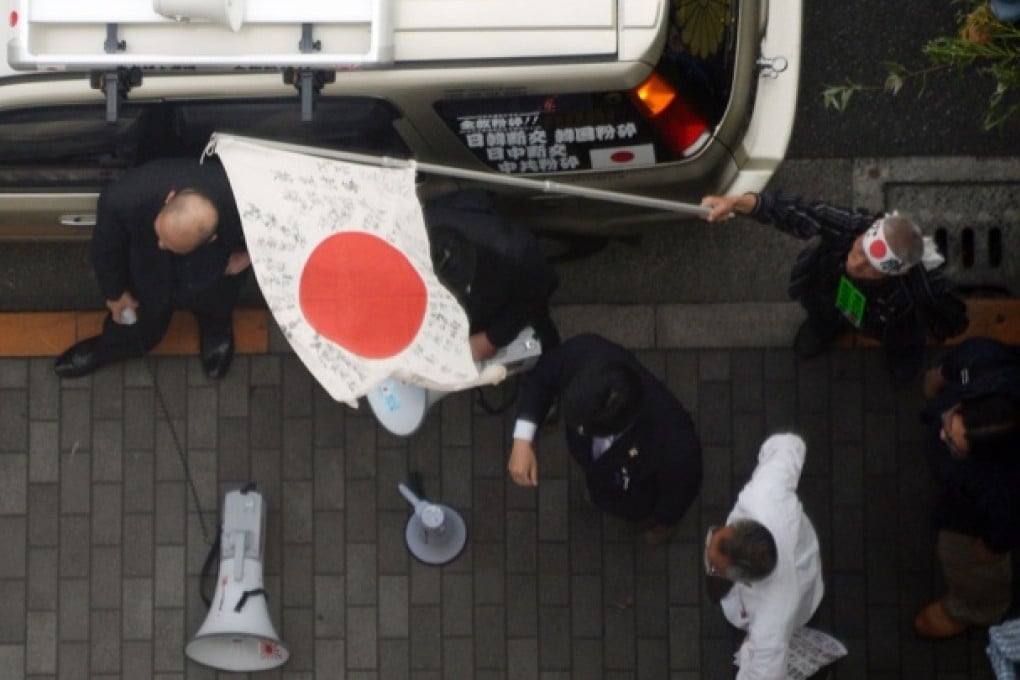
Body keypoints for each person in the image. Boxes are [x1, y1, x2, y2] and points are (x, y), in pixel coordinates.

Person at [700, 191, 968, 382]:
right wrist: (735, 203)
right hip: (828, 289)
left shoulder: (924, 285)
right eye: (860, 248)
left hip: (889, 322)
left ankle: (904, 357)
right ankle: (824, 327)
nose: (856, 262)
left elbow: (953, 316)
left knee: (904, 342)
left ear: (897, 273)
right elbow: (794, 210)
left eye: (871, 267)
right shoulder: (853, 225)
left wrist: (941, 328)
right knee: (823, 312)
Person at [54, 158, 250, 380]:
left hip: (212, 270)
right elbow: (106, 249)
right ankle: (110, 348)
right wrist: (115, 293)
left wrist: (247, 257)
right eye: (160, 234)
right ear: (170, 198)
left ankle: (215, 332)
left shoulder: (248, 197)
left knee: (216, 304)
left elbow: (287, 228)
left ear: (211, 237)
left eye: (172, 245)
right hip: (149, 271)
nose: (161, 244)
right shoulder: (123, 198)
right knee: (139, 325)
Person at [507, 333, 701, 544]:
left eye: (583, 429)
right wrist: (522, 439)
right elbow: (543, 374)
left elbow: (679, 492)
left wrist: (665, 520)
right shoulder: (587, 352)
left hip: (632, 495)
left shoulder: (676, 445)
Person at [915, 337, 1020, 638]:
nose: (941, 437)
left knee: (965, 558)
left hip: (969, 518)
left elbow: (996, 542)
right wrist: (937, 382)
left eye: (952, 441)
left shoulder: (1001, 492)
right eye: (949, 425)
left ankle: (977, 607)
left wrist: (983, 550)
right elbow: (946, 371)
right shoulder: (979, 361)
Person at [703, 433, 824, 680]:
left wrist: (750, 653)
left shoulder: (773, 621)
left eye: (713, 566)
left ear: (743, 579)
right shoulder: (764, 493)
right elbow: (790, 444)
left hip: (799, 597)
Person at [424, 189, 559, 361]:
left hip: (506, 301)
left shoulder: (514, 250)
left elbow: (544, 283)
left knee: (541, 341)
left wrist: (493, 338)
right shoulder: (412, 226)